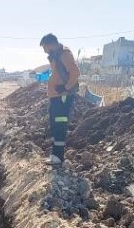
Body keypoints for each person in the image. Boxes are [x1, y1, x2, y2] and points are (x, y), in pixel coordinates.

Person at [40, 33, 80, 166]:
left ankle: (58, 156)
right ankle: (55, 154)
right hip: (56, 97)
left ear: (51, 44)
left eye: (45, 47)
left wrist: (65, 88)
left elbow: (75, 72)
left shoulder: (64, 54)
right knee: (54, 123)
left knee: (60, 124)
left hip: (62, 97)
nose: (45, 50)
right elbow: (55, 74)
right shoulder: (56, 56)